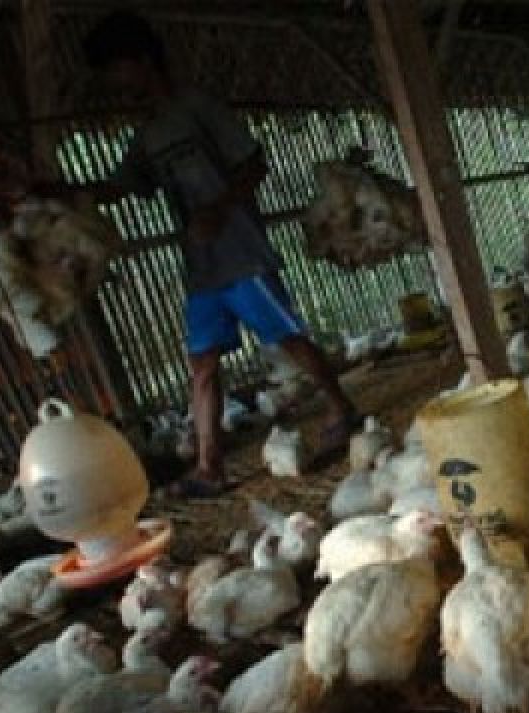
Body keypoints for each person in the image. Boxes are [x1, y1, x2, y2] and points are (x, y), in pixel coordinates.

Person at [76, 10, 358, 497]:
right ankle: (210, 466)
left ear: (142, 61)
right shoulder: (148, 134)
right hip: (202, 267)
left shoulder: (197, 108)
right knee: (201, 362)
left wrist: (220, 209)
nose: (114, 83)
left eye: (116, 70)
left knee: (287, 338)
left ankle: (342, 408)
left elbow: (255, 164)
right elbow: (121, 187)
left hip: (241, 253)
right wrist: (60, 192)